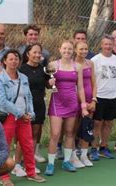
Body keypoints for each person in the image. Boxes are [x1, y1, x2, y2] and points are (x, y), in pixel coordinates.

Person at [0, 50, 46, 184]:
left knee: (27, 145)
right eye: (10, 59)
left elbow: (28, 96)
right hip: (8, 116)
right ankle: (4, 177)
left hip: (24, 117)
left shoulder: (23, 77)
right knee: (4, 146)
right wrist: (20, 113)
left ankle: (31, 172)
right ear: (4, 61)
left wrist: (31, 112)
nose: (13, 61)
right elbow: (2, 100)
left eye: (16, 59)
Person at [44, 40, 88, 175]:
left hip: (72, 103)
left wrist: (83, 105)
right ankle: (50, 164)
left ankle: (67, 161)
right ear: (59, 49)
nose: (67, 51)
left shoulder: (78, 66)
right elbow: (47, 84)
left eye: (69, 49)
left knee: (70, 133)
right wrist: (49, 83)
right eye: (64, 49)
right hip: (57, 104)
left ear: (73, 50)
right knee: (55, 134)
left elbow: (80, 87)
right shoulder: (53, 65)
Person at [89, 35, 116, 160]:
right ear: (101, 45)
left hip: (113, 97)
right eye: (106, 44)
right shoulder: (94, 60)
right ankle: (94, 148)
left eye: (110, 44)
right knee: (97, 123)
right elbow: (91, 80)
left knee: (108, 123)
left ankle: (104, 147)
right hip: (98, 96)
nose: (108, 46)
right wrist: (93, 97)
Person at [19, 44, 51, 166]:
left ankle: (30, 162)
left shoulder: (43, 69)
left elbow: (49, 85)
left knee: (35, 133)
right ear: (28, 54)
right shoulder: (21, 69)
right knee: (24, 135)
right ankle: (20, 161)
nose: (38, 55)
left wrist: (51, 83)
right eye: (35, 52)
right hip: (25, 106)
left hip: (39, 104)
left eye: (39, 53)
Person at [74, 41, 97, 166]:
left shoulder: (90, 63)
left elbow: (94, 83)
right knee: (73, 128)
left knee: (87, 128)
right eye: (81, 49)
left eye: (86, 49)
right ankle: (73, 156)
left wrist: (94, 100)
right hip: (75, 101)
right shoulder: (71, 64)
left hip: (89, 101)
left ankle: (84, 155)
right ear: (75, 50)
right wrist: (81, 101)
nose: (84, 51)